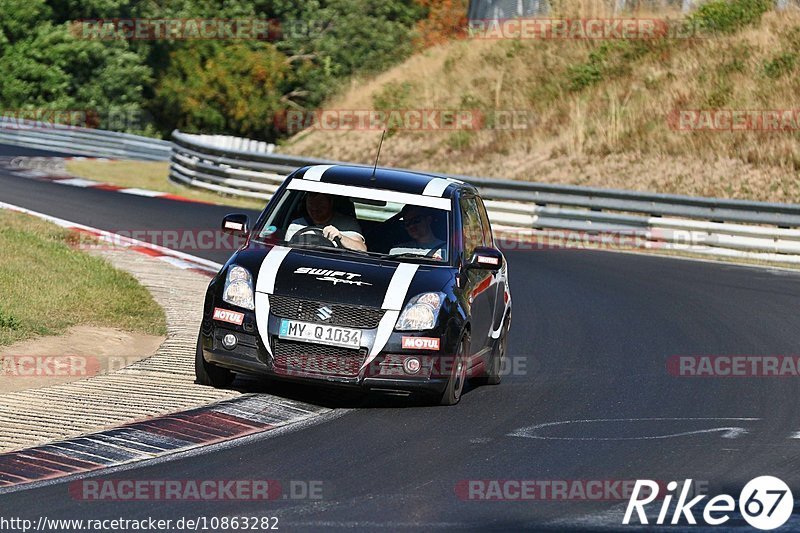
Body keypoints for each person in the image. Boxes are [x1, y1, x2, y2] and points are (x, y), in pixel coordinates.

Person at [285, 192, 367, 251]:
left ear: (330, 203)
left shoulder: (347, 224)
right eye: (311, 204)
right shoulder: (297, 225)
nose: (315, 208)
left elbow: (361, 248)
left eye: (320, 203)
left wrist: (341, 237)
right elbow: (286, 251)